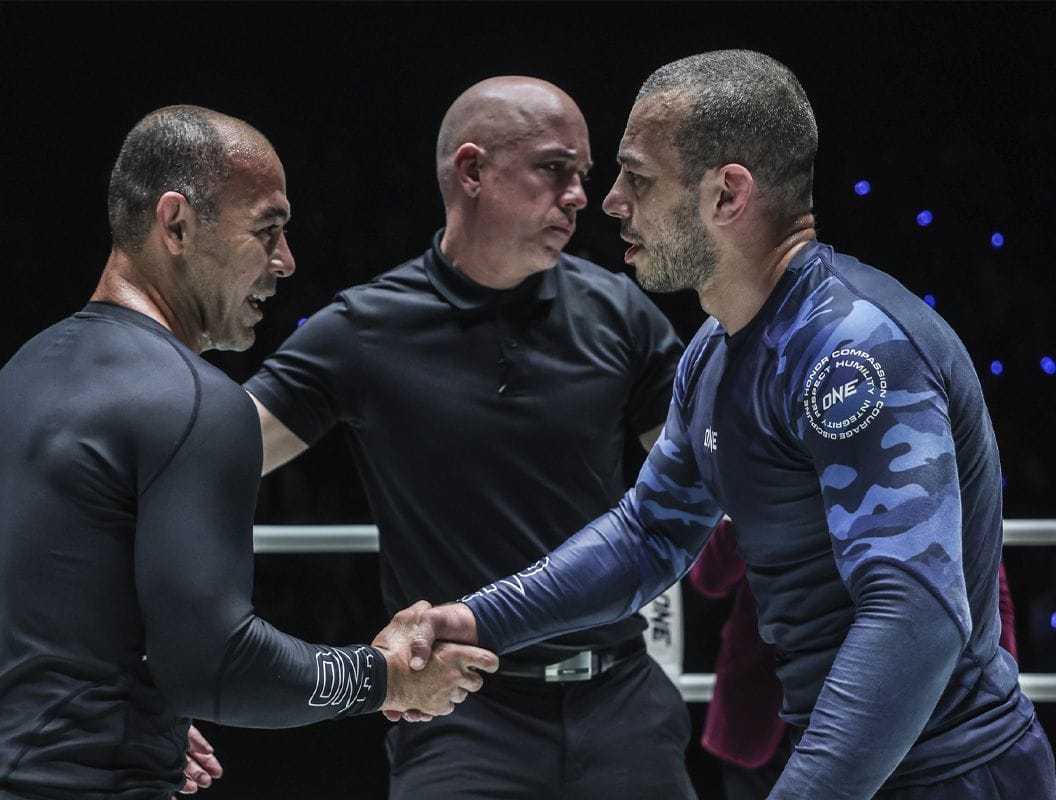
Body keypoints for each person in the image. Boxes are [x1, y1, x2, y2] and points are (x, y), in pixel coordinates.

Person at [413, 51, 1056, 798]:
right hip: (852, 766)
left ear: (727, 194)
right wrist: (473, 619)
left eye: (638, 177)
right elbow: (647, 535)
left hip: (953, 777)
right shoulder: (715, 353)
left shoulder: (851, 352)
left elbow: (915, 612)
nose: (611, 200)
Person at [0, 105, 496, 800]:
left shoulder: (10, 382)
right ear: (175, 224)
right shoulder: (197, 402)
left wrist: (115, 708)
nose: (287, 261)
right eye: (267, 229)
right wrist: (381, 675)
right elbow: (215, 666)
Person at [246, 77, 695, 797]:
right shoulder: (365, 329)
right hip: (460, 712)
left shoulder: (621, 314)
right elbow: (213, 461)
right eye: (556, 169)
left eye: (583, 174)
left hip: (622, 701)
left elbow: (712, 479)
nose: (581, 195)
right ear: (473, 171)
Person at [686, 519, 1022, 799]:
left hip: (890, 716)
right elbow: (709, 578)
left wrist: (994, 701)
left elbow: (989, 586)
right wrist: (743, 500)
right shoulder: (762, 456)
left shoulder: (916, 455)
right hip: (767, 711)